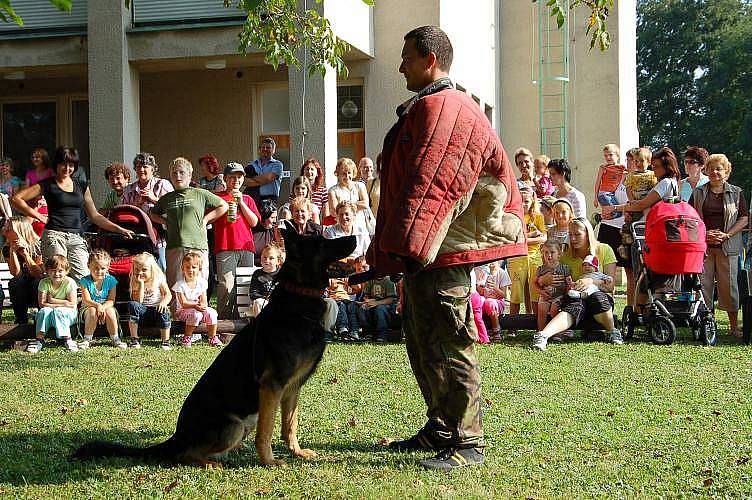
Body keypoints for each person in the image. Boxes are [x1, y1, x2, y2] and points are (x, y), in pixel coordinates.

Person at [369, 25, 526, 470]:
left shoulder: (448, 108)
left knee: (452, 341)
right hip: (428, 250)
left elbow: (436, 182)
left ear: (430, 59)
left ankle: (468, 441)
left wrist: (407, 246)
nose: (401, 66)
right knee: (422, 340)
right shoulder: (431, 107)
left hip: (444, 250)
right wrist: (398, 251)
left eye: (407, 57)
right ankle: (441, 427)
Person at [12, 146, 135, 282]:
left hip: (77, 237)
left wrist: (119, 229)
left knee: (84, 279)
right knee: (58, 278)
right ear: (56, 164)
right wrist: (39, 216)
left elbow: (94, 216)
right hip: (54, 235)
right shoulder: (47, 185)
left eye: (71, 165)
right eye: (63, 164)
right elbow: (16, 199)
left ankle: (83, 303)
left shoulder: (81, 186)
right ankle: (53, 303)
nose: (67, 168)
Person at [532, 218, 620, 351]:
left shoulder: (604, 250)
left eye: (577, 234)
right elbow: (545, 273)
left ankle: (612, 331)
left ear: (588, 233)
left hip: (599, 301)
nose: (573, 238)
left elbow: (610, 286)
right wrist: (543, 280)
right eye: (570, 234)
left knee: (597, 298)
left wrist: (591, 281)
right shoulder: (565, 255)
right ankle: (543, 335)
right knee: (575, 304)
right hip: (575, 298)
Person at [688, 154, 748, 337]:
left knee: (729, 286)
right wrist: (705, 235)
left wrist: (727, 234)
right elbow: (690, 218)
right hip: (704, 246)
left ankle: (733, 327)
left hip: (728, 246)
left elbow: (744, 218)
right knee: (703, 287)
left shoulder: (737, 192)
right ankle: (707, 324)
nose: (715, 172)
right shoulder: (698, 192)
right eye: (711, 168)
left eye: (719, 168)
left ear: (726, 171)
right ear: (706, 170)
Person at [149, 157, 228, 294]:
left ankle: (200, 314)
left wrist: (205, 220)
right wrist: (164, 221)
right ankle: (177, 315)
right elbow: (152, 214)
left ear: (190, 175)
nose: (178, 176)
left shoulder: (200, 193)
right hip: (174, 247)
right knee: (175, 285)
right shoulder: (167, 198)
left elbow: (223, 205)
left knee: (199, 285)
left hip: (197, 246)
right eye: (174, 173)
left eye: (182, 172)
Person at [213, 162, 260, 319]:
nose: (236, 180)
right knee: (227, 285)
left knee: (246, 284)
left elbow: (254, 222)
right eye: (232, 177)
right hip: (225, 246)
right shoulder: (217, 198)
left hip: (246, 247)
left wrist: (241, 202)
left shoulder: (247, 198)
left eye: (239, 177)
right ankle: (225, 319)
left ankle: (245, 318)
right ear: (225, 179)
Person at [121, 152, 174, 270]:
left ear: (153, 169)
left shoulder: (162, 184)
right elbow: (122, 213)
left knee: (161, 270)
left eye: (145, 166)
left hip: (160, 239)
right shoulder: (129, 189)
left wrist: (154, 199)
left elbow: (173, 209)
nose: (141, 169)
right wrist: (136, 205)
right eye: (138, 166)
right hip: (136, 238)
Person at [507, 187, 546, 318]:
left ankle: (536, 322)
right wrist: (534, 234)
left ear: (533, 202)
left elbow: (544, 238)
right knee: (516, 291)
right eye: (520, 201)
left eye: (527, 201)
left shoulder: (538, 217)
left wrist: (525, 238)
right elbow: (513, 239)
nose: (523, 204)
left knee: (536, 290)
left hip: (535, 257)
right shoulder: (512, 217)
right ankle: (512, 325)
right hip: (517, 257)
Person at [26, 255, 78, 354]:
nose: (56, 273)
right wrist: (63, 303)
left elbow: (72, 304)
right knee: (44, 311)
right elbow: (42, 304)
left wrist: (52, 300)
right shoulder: (44, 282)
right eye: (53, 270)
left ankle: (67, 339)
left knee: (59, 311)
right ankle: (39, 340)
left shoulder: (69, 282)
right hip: (51, 313)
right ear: (47, 271)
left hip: (69, 315)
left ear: (66, 271)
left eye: (60, 271)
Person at [78, 249, 127, 350]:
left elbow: (111, 300)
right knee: (92, 311)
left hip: (106, 307)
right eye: (96, 268)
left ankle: (115, 338)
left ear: (108, 267)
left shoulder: (111, 280)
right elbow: (86, 300)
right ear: (88, 266)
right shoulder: (84, 281)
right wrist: (98, 306)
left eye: (102, 268)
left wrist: (103, 307)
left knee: (110, 312)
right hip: (89, 307)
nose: (99, 271)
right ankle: (87, 339)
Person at [173, 252, 222, 347]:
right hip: (183, 311)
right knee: (196, 315)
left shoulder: (202, 283)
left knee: (211, 312)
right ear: (182, 269)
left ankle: (212, 337)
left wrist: (203, 306)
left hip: (197, 309)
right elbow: (183, 303)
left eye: (193, 267)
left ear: (199, 269)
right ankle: (187, 337)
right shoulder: (179, 285)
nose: (190, 270)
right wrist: (195, 306)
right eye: (187, 267)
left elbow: (204, 300)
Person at [3, 217, 44, 324]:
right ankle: (21, 320)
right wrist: (13, 250)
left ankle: (41, 318)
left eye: (8, 229)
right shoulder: (6, 248)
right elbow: (16, 273)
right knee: (15, 282)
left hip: (39, 287)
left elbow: (39, 273)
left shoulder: (38, 245)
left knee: (37, 282)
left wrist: (25, 254)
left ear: (18, 230)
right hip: (22, 289)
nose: (5, 231)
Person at [128, 252, 172, 350]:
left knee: (164, 310)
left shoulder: (159, 278)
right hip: (142, 312)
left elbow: (168, 294)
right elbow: (138, 301)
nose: (140, 273)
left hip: (156, 310)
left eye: (144, 270)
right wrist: (141, 284)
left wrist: (163, 302)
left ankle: (166, 341)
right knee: (133, 304)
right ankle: (134, 338)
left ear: (152, 270)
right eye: (137, 270)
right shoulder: (135, 280)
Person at [534, 240, 572, 331]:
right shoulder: (541, 269)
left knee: (554, 311)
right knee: (541, 310)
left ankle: (557, 332)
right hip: (545, 295)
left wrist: (568, 291)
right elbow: (534, 283)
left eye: (552, 252)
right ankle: (541, 332)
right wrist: (541, 292)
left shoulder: (564, 268)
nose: (549, 255)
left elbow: (569, 283)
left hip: (559, 296)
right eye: (546, 253)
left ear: (559, 254)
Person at [328, 158, 371, 234]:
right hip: (341, 228)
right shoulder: (333, 190)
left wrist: (344, 206)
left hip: (360, 226)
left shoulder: (360, 185)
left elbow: (366, 204)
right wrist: (355, 205)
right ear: (338, 174)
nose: (347, 176)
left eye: (349, 173)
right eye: (344, 173)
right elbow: (334, 211)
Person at [356, 273, 399, 343]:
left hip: (386, 305)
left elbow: (391, 299)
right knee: (362, 308)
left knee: (380, 309)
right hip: (373, 303)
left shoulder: (389, 281)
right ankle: (368, 333)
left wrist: (377, 303)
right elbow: (366, 295)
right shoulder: (371, 280)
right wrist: (367, 301)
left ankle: (382, 335)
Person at [245, 137, 284, 211]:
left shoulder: (277, 164)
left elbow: (269, 178)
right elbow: (244, 181)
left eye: (268, 147)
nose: (265, 149)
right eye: (263, 147)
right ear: (259, 149)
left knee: (269, 222)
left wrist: (251, 178)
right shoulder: (252, 164)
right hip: (254, 198)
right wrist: (262, 180)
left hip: (270, 199)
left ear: (273, 150)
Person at [475, 260, 511, 342]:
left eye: (493, 260)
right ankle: (481, 330)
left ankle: (496, 329)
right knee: (479, 300)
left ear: (499, 261)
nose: (489, 262)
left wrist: (495, 287)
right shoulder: (483, 272)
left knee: (489, 302)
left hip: (497, 303)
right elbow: (480, 293)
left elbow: (504, 295)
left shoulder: (502, 273)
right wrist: (480, 288)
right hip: (485, 300)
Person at [249, 243, 283, 317]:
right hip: (263, 304)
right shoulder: (257, 274)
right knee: (258, 302)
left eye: (271, 258)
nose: (267, 260)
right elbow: (253, 293)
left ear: (278, 261)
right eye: (264, 257)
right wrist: (266, 298)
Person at [593, 143, 626, 211]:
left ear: (617, 155)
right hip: (605, 194)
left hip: (614, 194)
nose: (608, 157)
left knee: (616, 211)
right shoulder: (603, 168)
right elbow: (598, 183)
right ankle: (599, 217)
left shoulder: (622, 168)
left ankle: (602, 216)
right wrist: (595, 198)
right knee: (616, 211)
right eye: (605, 156)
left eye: (610, 155)